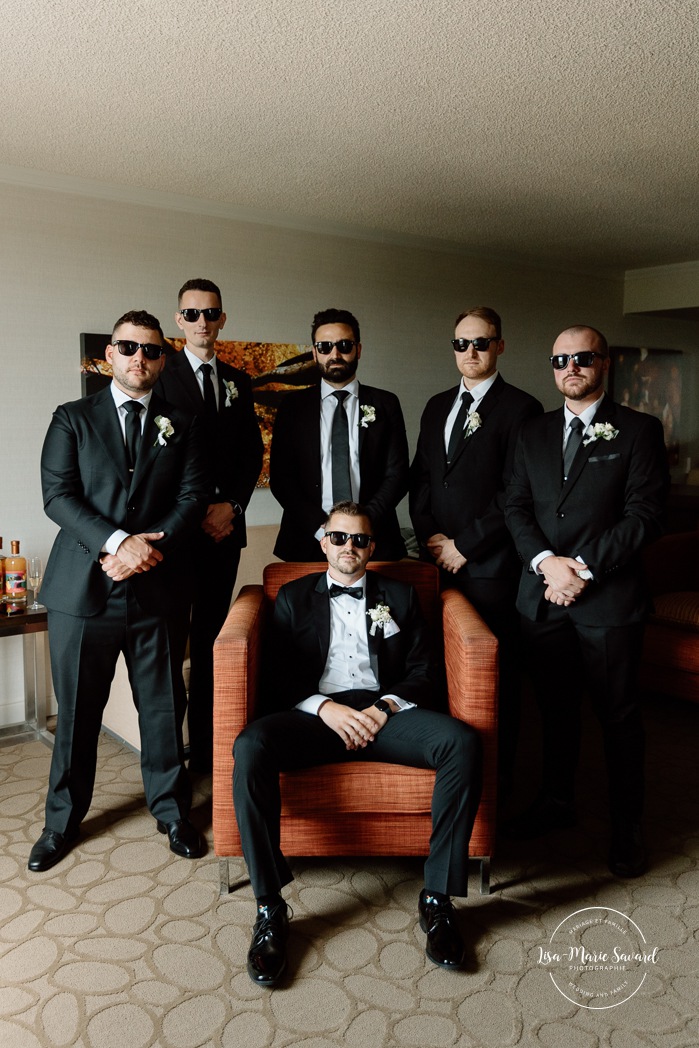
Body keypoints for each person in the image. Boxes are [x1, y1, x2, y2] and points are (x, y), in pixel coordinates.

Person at [233, 501, 482, 986]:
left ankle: (437, 898)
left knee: (462, 742)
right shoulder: (291, 596)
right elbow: (278, 678)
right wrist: (325, 709)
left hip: (384, 714)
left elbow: (424, 672)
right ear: (323, 541)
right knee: (250, 747)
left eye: (360, 540)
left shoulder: (402, 596)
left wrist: (382, 709)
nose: (350, 547)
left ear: (373, 547)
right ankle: (269, 906)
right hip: (317, 716)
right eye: (340, 537)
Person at [29, 310, 209, 872]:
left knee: (162, 708)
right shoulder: (72, 418)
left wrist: (145, 552)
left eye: (152, 351)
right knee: (79, 713)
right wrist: (117, 544)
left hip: (157, 587)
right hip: (83, 591)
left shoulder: (184, 422)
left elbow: (192, 497)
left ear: (163, 359)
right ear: (110, 354)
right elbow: (58, 496)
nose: (140, 359)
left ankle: (171, 809)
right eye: (129, 348)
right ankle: (61, 822)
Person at [504, 325, 668, 876]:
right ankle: (557, 802)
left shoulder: (639, 430)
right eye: (560, 360)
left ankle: (628, 828)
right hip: (542, 598)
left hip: (608, 603)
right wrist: (547, 564)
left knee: (618, 717)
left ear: (603, 364)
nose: (570, 367)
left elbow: (645, 516)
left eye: (582, 358)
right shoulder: (532, 432)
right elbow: (516, 508)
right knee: (553, 711)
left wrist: (583, 569)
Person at [409, 306, 542, 792]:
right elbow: (421, 477)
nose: (470, 352)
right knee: (437, 667)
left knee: (493, 675)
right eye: (461, 343)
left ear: (499, 346)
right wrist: (430, 537)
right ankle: (448, 766)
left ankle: (497, 778)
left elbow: (514, 491)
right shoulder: (436, 404)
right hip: (435, 560)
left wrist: (465, 545)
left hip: (489, 566)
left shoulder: (520, 408)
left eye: (480, 343)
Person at [154, 278, 263, 771]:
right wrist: (195, 513)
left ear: (222, 319)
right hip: (175, 537)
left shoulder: (239, 381)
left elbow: (250, 453)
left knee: (215, 642)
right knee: (172, 645)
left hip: (224, 534)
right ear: (179, 320)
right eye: (192, 314)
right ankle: (169, 758)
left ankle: (207, 752)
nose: (202, 322)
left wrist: (233, 507)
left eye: (211, 313)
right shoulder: (160, 374)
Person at [270, 308, 409, 562]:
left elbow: (397, 475)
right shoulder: (292, 406)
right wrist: (321, 529)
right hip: (306, 540)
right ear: (314, 352)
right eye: (324, 347)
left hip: (375, 540)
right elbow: (282, 479)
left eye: (344, 345)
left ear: (358, 349)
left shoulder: (386, 403)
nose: (334, 354)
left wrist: (362, 527)